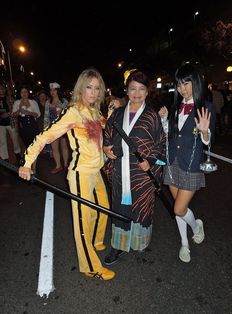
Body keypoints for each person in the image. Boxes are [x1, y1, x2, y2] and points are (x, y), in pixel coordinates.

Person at [18, 68, 115, 280]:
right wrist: (27, 163)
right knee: (83, 219)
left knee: (104, 209)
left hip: (96, 171)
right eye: (89, 87)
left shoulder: (95, 112)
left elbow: (104, 137)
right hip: (80, 174)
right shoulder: (73, 112)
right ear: (81, 88)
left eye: (97, 88)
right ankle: (90, 265)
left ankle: (95, 242)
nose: (93, 92)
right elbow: (45, 136)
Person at [103, 70, 166, 265]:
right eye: (132, 89)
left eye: (141, 89)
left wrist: (152, 161)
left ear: (147, 92)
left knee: (141, 207)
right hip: (120, 170)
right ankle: (118, 245)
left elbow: (161, 144)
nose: (137, 93)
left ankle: (139, 241)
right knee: (119, 207)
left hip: (141, 173)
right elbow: (107, 135)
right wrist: (106, 148)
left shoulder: (152, 116)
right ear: (127, 91)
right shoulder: (117, 114)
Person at [158, 63, 216, 263]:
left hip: (191, 165)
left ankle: (196, 226)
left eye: (186, 83)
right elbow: (170, 136)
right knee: (178, 208)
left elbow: (209, 142)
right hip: (172, 163)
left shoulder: (206, 107)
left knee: (178, 209)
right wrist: (165, 121)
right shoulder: (175, 107)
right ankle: (184, 243)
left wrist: (204, 131)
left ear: (196, 82)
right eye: (179, 85)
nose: (183, 89)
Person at [45, 82, 69, 173]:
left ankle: (66, 164)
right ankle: (58, 165)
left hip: (63, 127)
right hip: (52, 127)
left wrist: (59, 110)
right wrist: (46, 128)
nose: (52, 92)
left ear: (58, 91)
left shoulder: (64, 101)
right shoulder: (48, 102)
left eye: (54, 90)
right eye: (51, 90)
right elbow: (46, 117)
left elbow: (67, 115)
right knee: (54, 147)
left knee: (64, 146)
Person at [0, 83, 21, 163]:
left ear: (5, 90)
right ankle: (5, 158)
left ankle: (17, 153)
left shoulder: (10, 98)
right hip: (0, 124)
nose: (1, 90)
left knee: (15, 139)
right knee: (2, 141)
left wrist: (8, 113)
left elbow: (16, 109)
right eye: (0, 88)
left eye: (2, 88)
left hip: (10, 122)